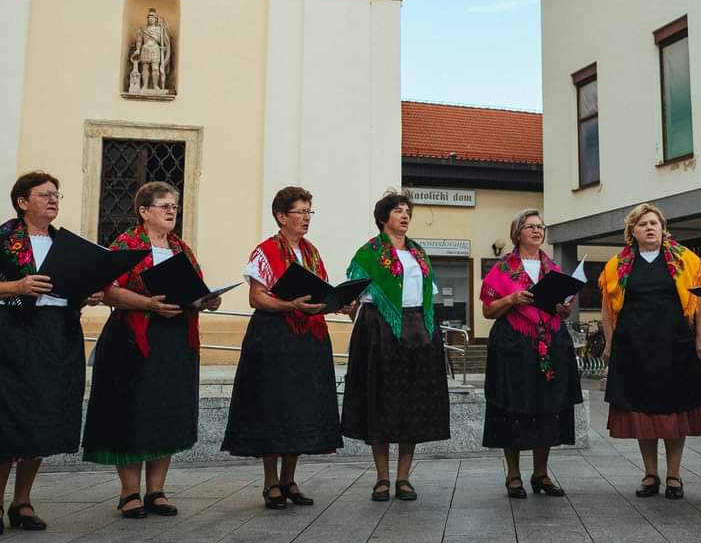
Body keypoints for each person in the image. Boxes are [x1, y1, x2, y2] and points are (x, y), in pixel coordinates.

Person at [0, 171, 95, 535]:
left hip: (54, 335)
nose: (53, 200)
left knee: (40, 415)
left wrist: (87, 293)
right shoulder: (2, 238)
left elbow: (70, 288)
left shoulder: (66, 244)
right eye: (45, 194)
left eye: (57, 195)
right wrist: (15, 286)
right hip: (7, 332)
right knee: (4, 416)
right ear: (22, 202)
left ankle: (23, 501)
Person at [81, 182, 220, 518]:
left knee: (165, 409)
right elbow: (107, 290)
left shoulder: (180, 249)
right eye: (164, 205)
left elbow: (193, 290)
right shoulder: (126, 245)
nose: (172, 211)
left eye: (174, 206)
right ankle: (129, 493)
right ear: (144, 211)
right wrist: (147, 303)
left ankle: (156, 490)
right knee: (131, 411)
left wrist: (206, 300)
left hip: (173, 338)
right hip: (132, 337)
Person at [222, 186, 343, 508]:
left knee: (300, 406)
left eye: (308, 212)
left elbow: (319, 292)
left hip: (308, 337)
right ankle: (271, 482)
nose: (306, 219)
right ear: (281, 216)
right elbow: (256, 297)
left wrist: (336, 303)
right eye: (300, 212)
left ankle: (290, 479)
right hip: (274, 335)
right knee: (273, 405)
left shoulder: (312, 252)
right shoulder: (265, 251)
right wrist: (290, 305)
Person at [598, 203, 701, 501]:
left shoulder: (685, 260)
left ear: (663, 228)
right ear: (632, 232)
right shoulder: (618, 265)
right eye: (643, 224)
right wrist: (609, 344)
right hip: (633, 347)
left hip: (675, 345)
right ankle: (650, 474)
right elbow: (608, 310)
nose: (650, 228)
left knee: (675, 413)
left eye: (655, 223)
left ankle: (674, 475)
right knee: (642, 415)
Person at [341, 190, 450, 501]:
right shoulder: (369, 253)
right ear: (383, 217)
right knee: (381, 400)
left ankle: (404, 477)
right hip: (379, 327)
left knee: (412, 401)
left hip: (417, 327)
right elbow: (356, 293)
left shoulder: (419, 253)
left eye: (407, 212)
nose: (404, 216)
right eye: (398, 211)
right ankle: (382, 477)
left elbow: (428, 293)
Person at [480, 209, 582, 499]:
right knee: (511, 407)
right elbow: (488, 310)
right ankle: (513, 476)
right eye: (531, 226)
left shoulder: (553, 268)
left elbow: (563, 308)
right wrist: (511, 299)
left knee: (547, 408)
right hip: (513, 344)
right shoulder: (502, 268)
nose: (537, 231)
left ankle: (541, 474)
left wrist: (563, 309)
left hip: (550, 343)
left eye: (541, 227)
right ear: (518, 232)